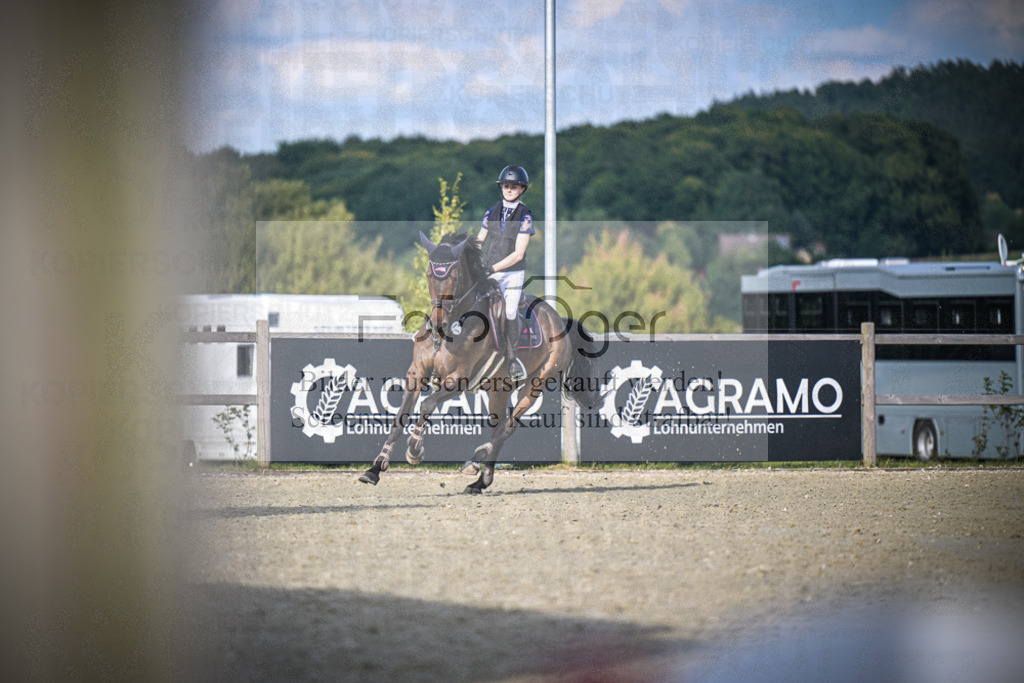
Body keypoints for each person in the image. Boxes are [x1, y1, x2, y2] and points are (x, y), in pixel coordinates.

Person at [477, 165, 534, 381]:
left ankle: (512, 359)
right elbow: (479, 241)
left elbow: (519, 254)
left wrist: (492, 268)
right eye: (506, 186)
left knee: (509, 312)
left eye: (513, 186)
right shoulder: (490, 212)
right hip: (489, 270)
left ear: (521, 189)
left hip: (512, 274)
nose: (509, 189)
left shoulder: (525, 216)